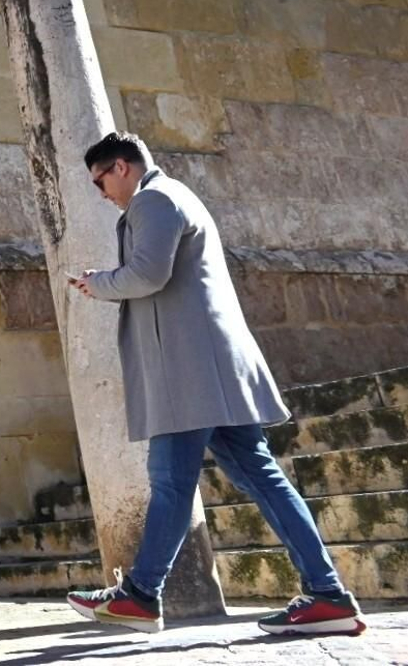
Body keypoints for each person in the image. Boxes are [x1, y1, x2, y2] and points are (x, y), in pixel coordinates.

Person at [65, 132, 366, 637]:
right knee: (259, 477)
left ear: (121, 166)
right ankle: (328, 594)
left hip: (189, 371)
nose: (102, 193)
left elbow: (148, 274)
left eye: (100, 181)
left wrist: (99, 283)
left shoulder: (154, 199)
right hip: (210, 369)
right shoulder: (175, 195)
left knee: (170, 479)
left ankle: (140, 595)